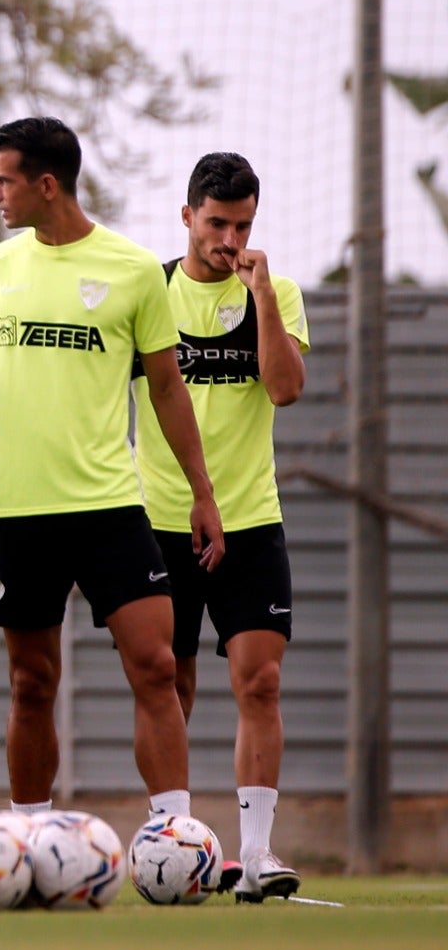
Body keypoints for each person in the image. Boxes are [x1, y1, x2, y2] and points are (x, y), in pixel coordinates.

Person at [0, 116, 225, 827]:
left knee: (156, 667)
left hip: (110, 508)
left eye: (2, 178)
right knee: (31, 682)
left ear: (46, 184)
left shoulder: (131, 270)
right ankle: (30, 837)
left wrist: (201, 492)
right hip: (20, 511)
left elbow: (165, 388)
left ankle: (172, 831)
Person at [133, 152, 308, 902]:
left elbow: (285, 388)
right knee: (166, 680)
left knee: (260, 681)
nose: (228, 239)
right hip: (162, 521)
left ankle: (257, 854)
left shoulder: (279, 292)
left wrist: (262, 296)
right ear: (187, 217)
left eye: (241, 224)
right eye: (215, 223)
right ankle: (173, 841)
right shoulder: (150, 293)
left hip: (252, 518)